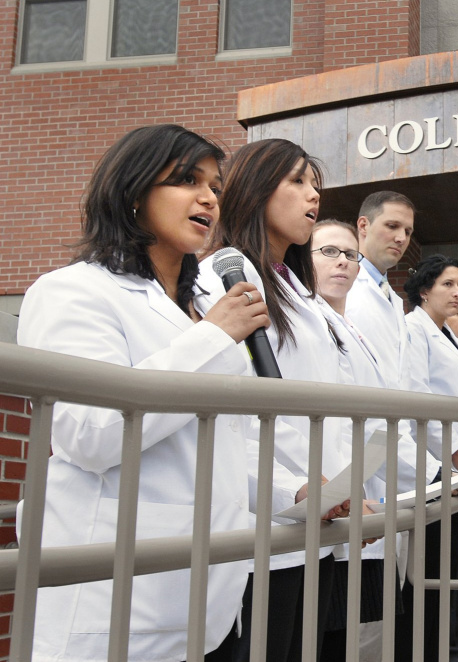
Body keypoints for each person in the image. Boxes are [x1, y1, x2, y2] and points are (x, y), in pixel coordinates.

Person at [15, 124, 304, 661]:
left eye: (215, 186)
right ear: (132, 193)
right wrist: (214, 338)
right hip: (112, 607)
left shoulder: (199, 306)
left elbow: (220, 440)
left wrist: (295, 494)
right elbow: (89, 434)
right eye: (186, 180)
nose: (208, 198)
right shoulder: (72, 292)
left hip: (211, 604)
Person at [196, 139, 351, 662]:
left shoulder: (297, 288)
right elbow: (240, 407)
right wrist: (301, 485)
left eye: (316, 187)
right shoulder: (225, 275)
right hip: (270, 518)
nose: (313, 197)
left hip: (319, 516)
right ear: (257, 190)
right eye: (298, 182)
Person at [311, 218, 427, 661]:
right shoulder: (321, 316)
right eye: (328, 253)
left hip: (364, 489)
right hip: (331, 494)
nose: (343, 262)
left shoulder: (355, 318)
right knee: (335, 632)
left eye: (349, 256)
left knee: (357, 625)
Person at [403, 255, 458, 661]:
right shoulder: (414, 330)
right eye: (447, 285)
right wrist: (454, 454)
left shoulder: (450, 338)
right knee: (444, 573)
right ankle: (446, 652)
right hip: (437, 473)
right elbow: (418, 399)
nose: (457, 293)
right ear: (424, 290)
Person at [345, 191, 417, 391]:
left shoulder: (393, 298)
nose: (401, 238)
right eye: (392, 226)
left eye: (408, 232)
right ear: (363, 225)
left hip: (392, 417)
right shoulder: (339, 284)